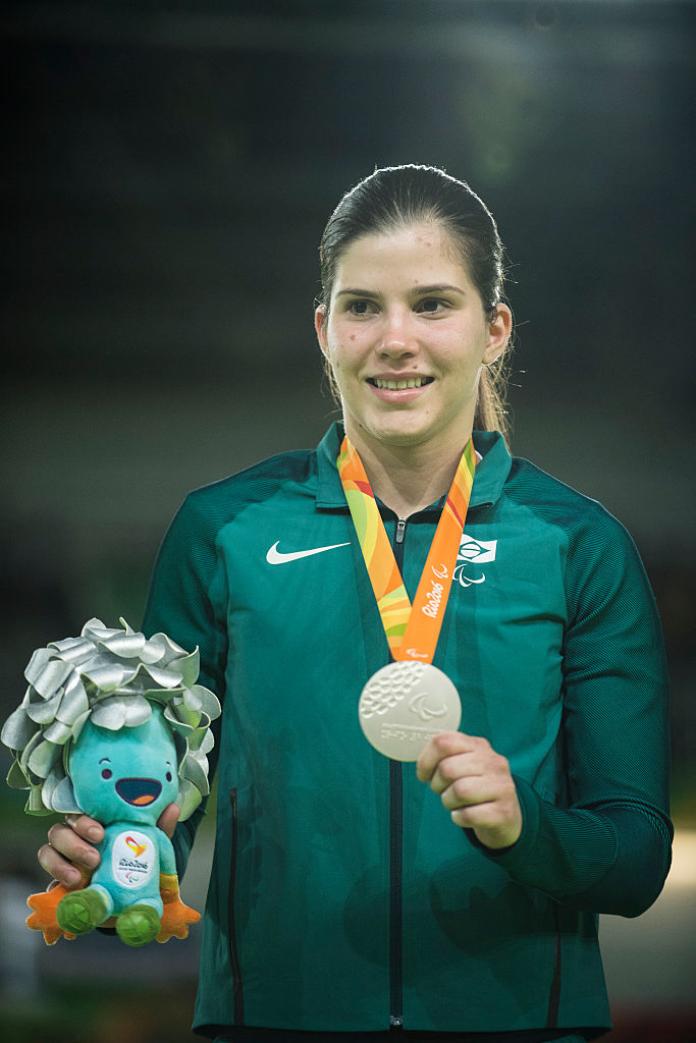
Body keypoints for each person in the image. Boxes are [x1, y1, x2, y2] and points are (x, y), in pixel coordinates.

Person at [37, 164, 672, 1043]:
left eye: (434, 304)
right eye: (363, 306)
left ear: (494, 331)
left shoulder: (578, 546)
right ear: (323, 329)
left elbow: (636, 854)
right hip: (278, 1022)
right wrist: (112, 869)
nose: (395, 338)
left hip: (519, 1024)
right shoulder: (223, 532)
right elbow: (160, 801)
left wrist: (530, 828)